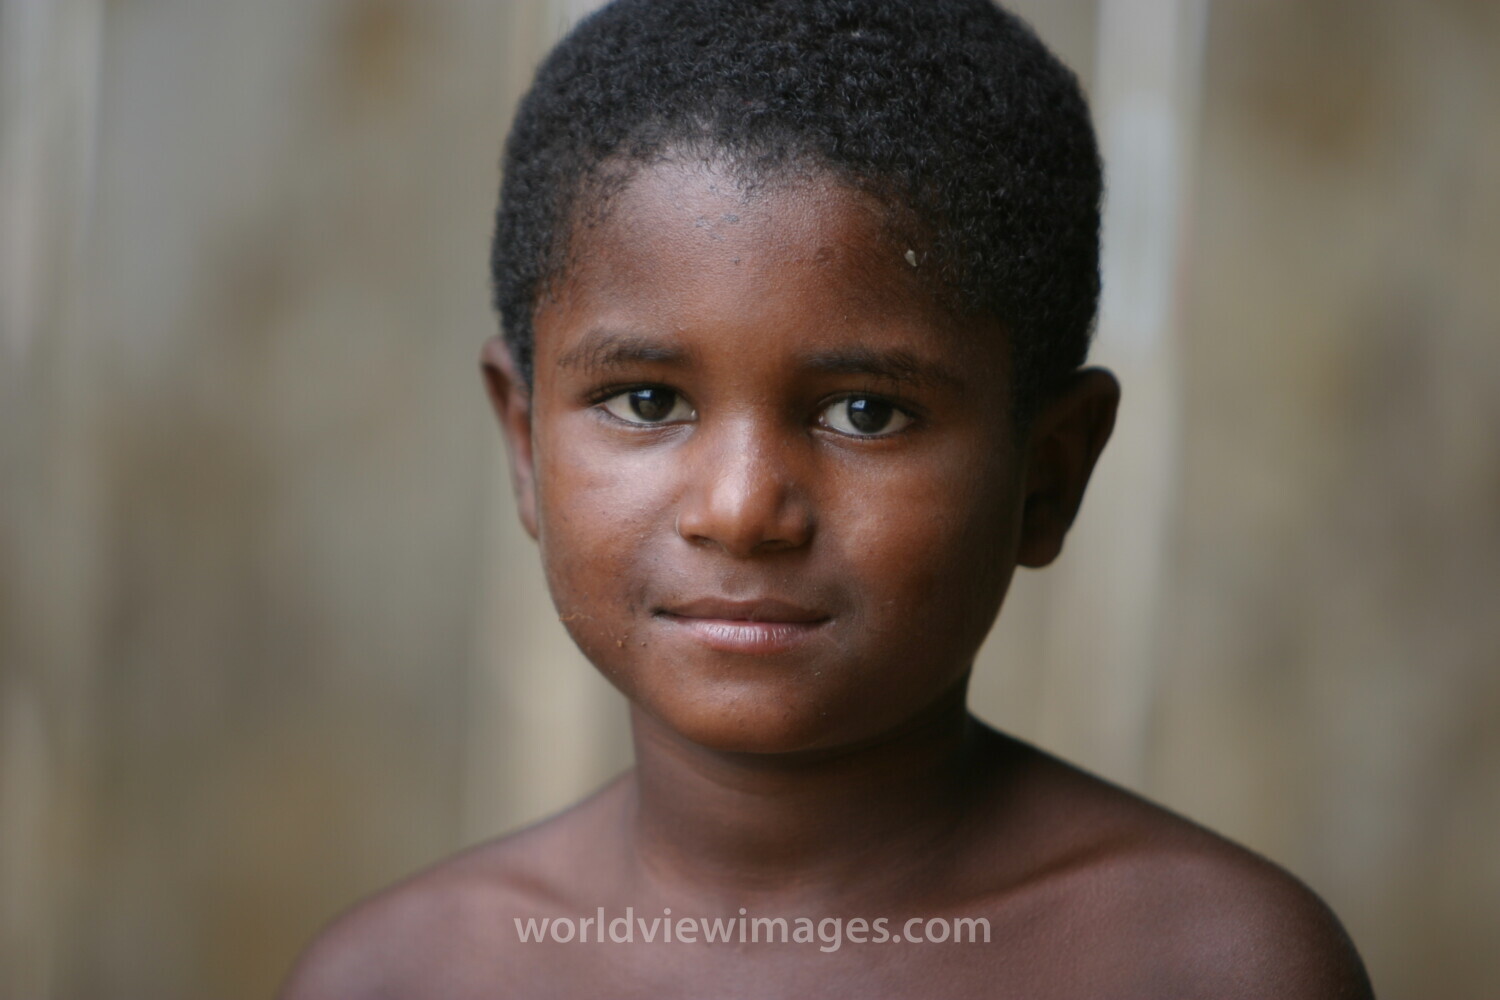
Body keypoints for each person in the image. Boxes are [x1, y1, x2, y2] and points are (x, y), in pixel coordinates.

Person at [279, 1, 1373, 996]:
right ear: (523, 444)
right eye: (647, 398)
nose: (744, 507)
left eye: (867, 413)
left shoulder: (1207, 964)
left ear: (1050, 473)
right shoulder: (401, 974)